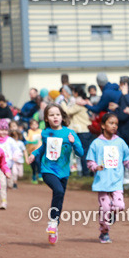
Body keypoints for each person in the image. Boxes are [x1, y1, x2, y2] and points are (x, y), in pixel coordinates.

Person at [27, 104, 84, 244]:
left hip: (64, 171)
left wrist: (74, 143)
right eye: (51, 115)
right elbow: (43, 148)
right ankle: (52, 221)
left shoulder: (70, 133)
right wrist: (34, 154)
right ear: (46, 118)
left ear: (62, 116)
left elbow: (80, 153)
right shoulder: (45, 133)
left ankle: (54, 226)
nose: (55, 117)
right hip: (48, 169)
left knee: (59, 197)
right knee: (58, 191)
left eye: (57, 114)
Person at [85, 113, 129, 243]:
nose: (114, 126)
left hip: (116, 181)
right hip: (102, 182)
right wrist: (95, 167)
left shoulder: (120, 142)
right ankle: (104, 232)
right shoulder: (96, 143)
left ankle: (112, 213)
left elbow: (127, 159)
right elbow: (90, 161)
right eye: (111, 123)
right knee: (105, 208)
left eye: (116, 124)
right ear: (103, 125)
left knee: (119, 206)